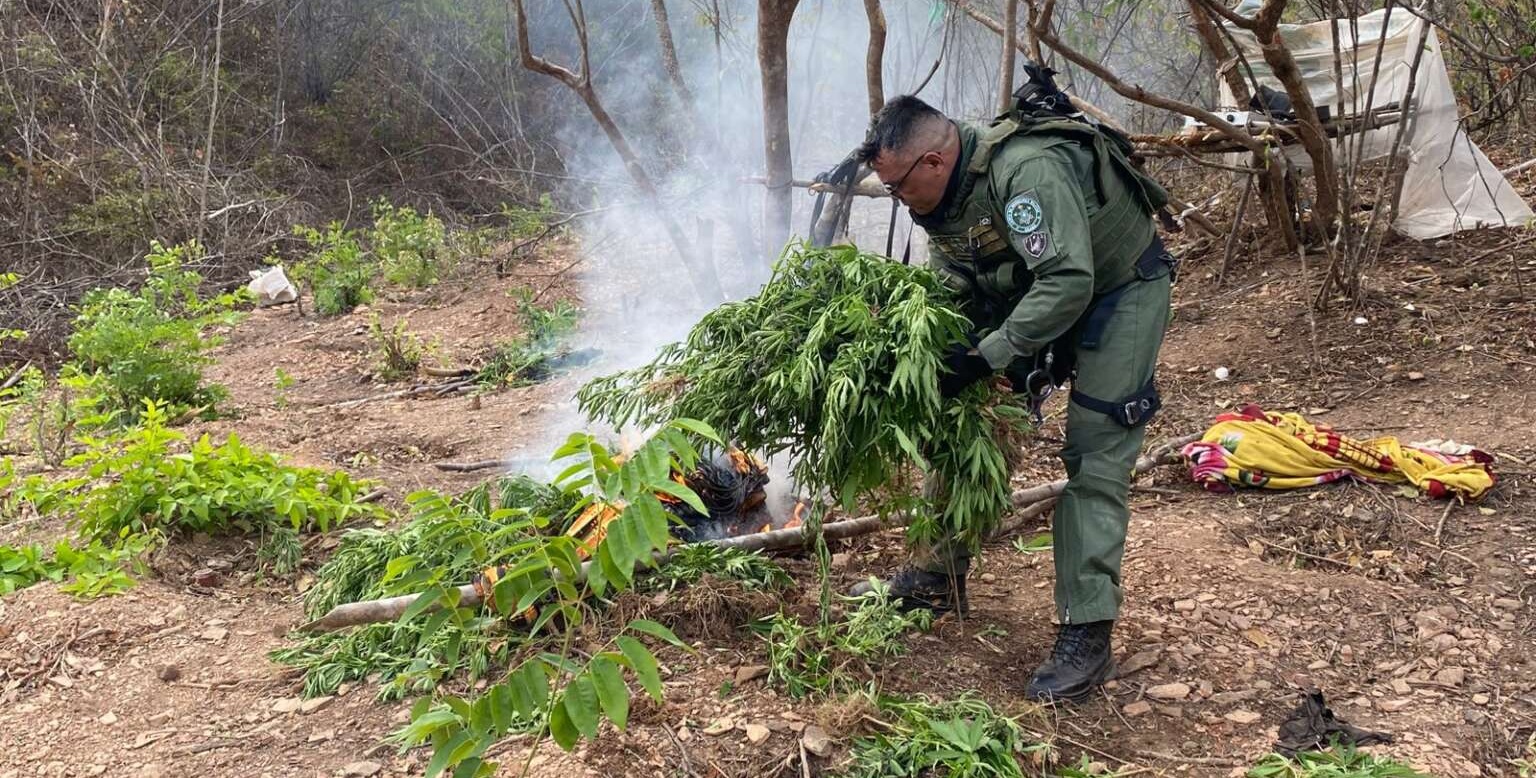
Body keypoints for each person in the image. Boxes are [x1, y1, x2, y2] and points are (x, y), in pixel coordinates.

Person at [848, 78, 1177, 703]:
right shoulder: (947, 194)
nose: (896, 199)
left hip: (1117, 290)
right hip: (1034, 294)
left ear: (933, 161)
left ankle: (1087, 632)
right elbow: (955, 271)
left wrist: (987, 354)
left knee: (1095, 453)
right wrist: (935, 341)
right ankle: (935, 577)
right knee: (969, 424)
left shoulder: (1025, 173)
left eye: (897, 186)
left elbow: (1069, 282)